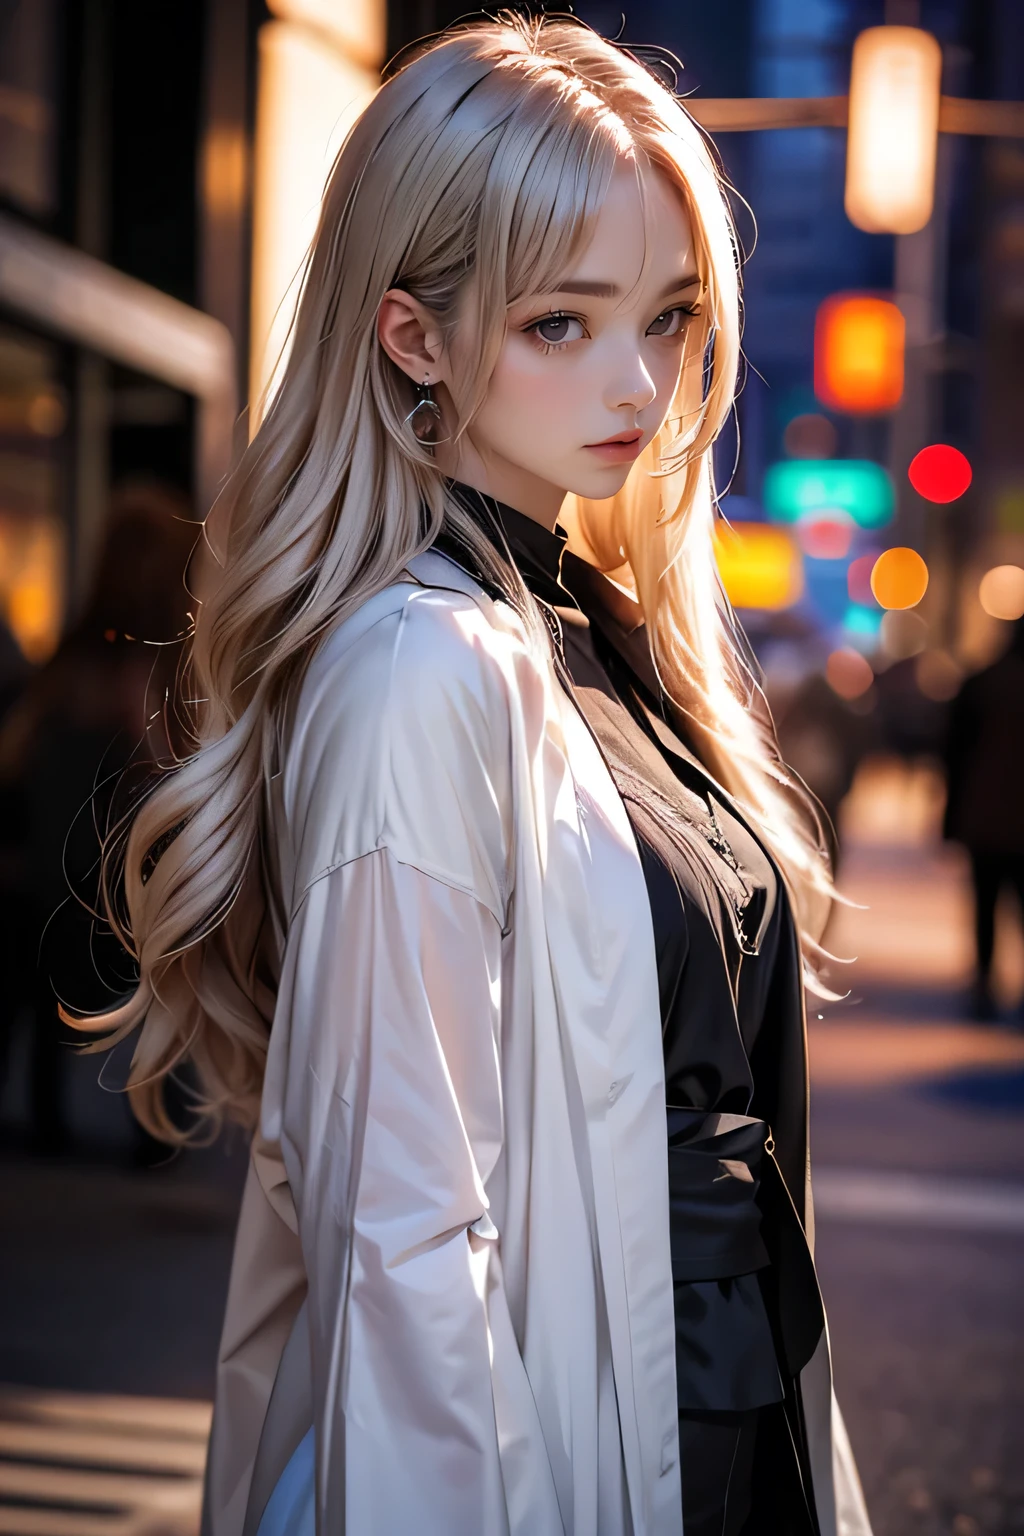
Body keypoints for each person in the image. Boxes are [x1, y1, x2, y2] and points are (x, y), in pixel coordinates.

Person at [72, 16, 871, 1535]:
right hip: (586, 1427)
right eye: (560, 322)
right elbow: (408, 1241)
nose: (637, 381)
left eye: (671, 315)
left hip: (721, 1397)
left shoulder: (595, 635)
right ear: (411, 333)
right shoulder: (419, 672)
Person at [943, 617, 1024, 1021]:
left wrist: (951, 819)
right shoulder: (984, 685)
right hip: (1002, 817)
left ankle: (983, 986)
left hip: (987, 817)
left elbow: (954, 756)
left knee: (985, 905)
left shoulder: (982, 684)